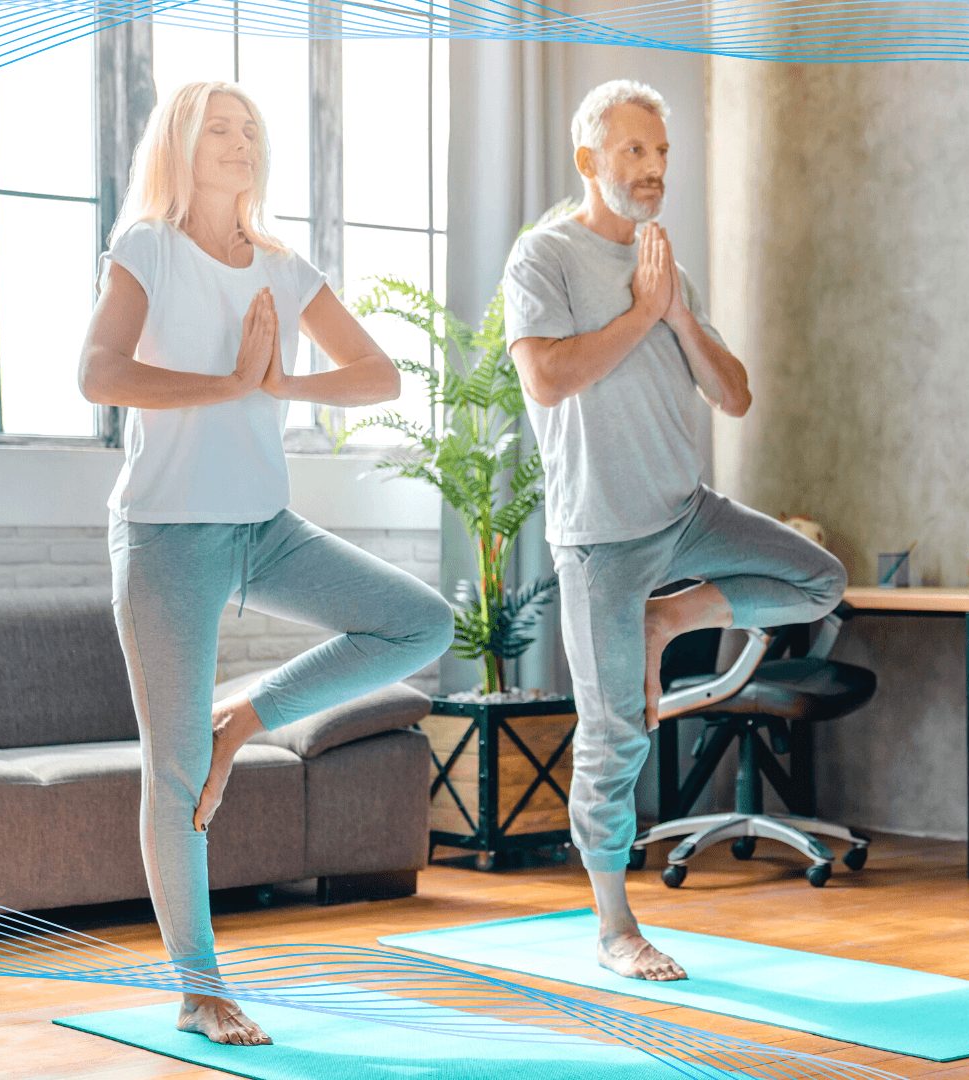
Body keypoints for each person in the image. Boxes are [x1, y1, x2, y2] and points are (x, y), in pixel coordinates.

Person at [78, 81, 455, 1047]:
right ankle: (201, 991)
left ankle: (241, 719)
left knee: (420, 623)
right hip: (167, 536)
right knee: (174, 778)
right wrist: (230, 384)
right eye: (219, 126)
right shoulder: (146, 249)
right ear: (179, 142)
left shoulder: (284, 266)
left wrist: (282, 380)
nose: (239, 139)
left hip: (265, 525)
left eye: (250, 128)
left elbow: (379, 374)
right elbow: (100, 374)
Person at [501, 79, 846, 984]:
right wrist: (639, 316)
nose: (653, 170)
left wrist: (678, 311)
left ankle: (671, 619)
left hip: (686, 512)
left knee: (818, 580)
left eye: (660, 153)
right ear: (589, 160)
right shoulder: (542, 259)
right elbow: (546, 380)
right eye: (633, 152)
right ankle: (616, 926)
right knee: (614, 733)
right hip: (600, 534)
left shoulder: (668, 271)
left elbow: (732, 396)